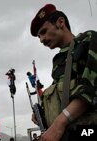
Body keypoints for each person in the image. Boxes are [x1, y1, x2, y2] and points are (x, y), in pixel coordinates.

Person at [30, 4, 97, 141]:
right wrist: (44, 113)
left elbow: (89, 88)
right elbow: (63, 98)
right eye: (39, 37)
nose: (42, 40)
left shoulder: (88, 40)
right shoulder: (58, 61)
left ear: (61, 22)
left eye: (43, 32)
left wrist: (59, 124)